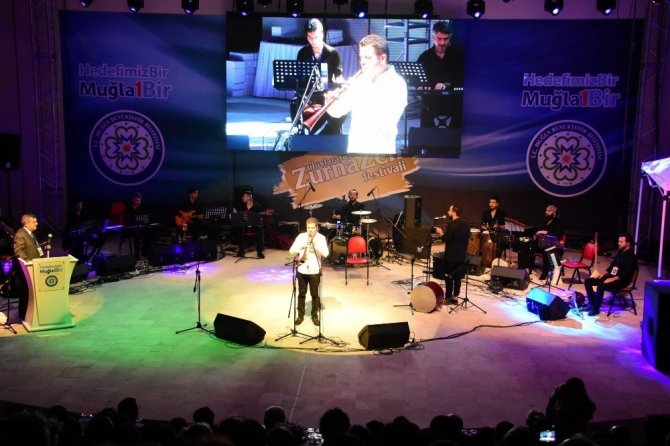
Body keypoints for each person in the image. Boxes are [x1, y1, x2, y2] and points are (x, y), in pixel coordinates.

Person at [326, 34, 407, 154]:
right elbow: (337, 112)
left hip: (380, 153)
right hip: (355, 151)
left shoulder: (397, 83)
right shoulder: (360, 80)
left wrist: (360, 91)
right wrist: (331, 101)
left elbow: (385, 122)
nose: (362, 62)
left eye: (368, 58)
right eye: (361, 57)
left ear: (382, 58)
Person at [295, 18, 345, 135]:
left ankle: (328, 133)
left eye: (316, 37)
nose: (313, 41)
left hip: (326, 94)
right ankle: (304, 133)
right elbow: (299, 75)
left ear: (322, 34)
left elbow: (338, 75)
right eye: (309, 37)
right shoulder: (303, 52)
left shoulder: (332, 53)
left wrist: (342, 84)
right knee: (295, 103)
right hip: (308, 94)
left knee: (341, 109)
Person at [417, 21, 464, 128]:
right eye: (439, 39)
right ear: (433, 37)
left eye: (446, 39)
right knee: (425, 108)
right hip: (431, 100)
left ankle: (452, 136)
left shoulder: (458, 56)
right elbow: (418, 79)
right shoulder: (425, 57)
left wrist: (446, 84)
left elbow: (462, 77)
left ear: (450, 37)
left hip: (453, 100)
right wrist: (424, 85)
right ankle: (428, 137)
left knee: (463, 105)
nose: (442, 43)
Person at [583, 233, 637, 316]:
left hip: (621, 281)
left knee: (601, 286)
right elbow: (612, 266)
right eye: (618, 241)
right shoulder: (620, 252)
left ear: (628, 243)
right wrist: (604, 273)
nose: (619, 243)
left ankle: (595, 309)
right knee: (588, 281)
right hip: (612, 276)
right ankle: (593, 305)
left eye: (621, 242)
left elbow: (626, 274)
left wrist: (611, 279)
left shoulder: (631, 257)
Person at [288, 217, 329, 326]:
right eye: (308, 228)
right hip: (302, 268)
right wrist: (300, 246)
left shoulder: (321, 238)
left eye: (312, 228)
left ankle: (314, 316)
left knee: (315, 295)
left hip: (315, 270)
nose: (310, 230)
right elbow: (291, 251)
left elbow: (326, 254)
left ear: (317, 228)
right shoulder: (301, 237)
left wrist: (315, 246)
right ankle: (300, 315)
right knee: (301, 293)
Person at [434, 205, 470, 304]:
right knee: (458, 277)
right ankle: (455, 298)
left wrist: (440, 232)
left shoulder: (452, 225)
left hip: (451, 256)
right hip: (461, 255)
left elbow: (445, 239)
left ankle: (448, 297)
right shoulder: (466, 224)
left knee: (448, 276)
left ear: (454, 212)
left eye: (449, 210)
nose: (448, 212)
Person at [232, 190, 273, 259]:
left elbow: (261, 214)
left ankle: (260, 252)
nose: (242, 198)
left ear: (249, 197)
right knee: (239, 229)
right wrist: (236, 213)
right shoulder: (241, 206)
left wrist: (265, 213)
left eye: (244, 196)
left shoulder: (257, 206)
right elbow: (239, 215)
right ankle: (241, 251)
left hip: (254, 226)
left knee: (259, 228)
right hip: (245, 225)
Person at [535, 205, 565, 280]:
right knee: (526, 244)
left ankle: (548, 271)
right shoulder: (544, 220)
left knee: (548, 250)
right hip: (541, 243)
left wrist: (545, 232)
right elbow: (537, 228)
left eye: (549, 211)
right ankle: (526, 268)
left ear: (554, 212)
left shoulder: (558, 222)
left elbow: (557, 235)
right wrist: (537, 233)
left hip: (553, 245)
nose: (546, 212)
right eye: (546, 210)